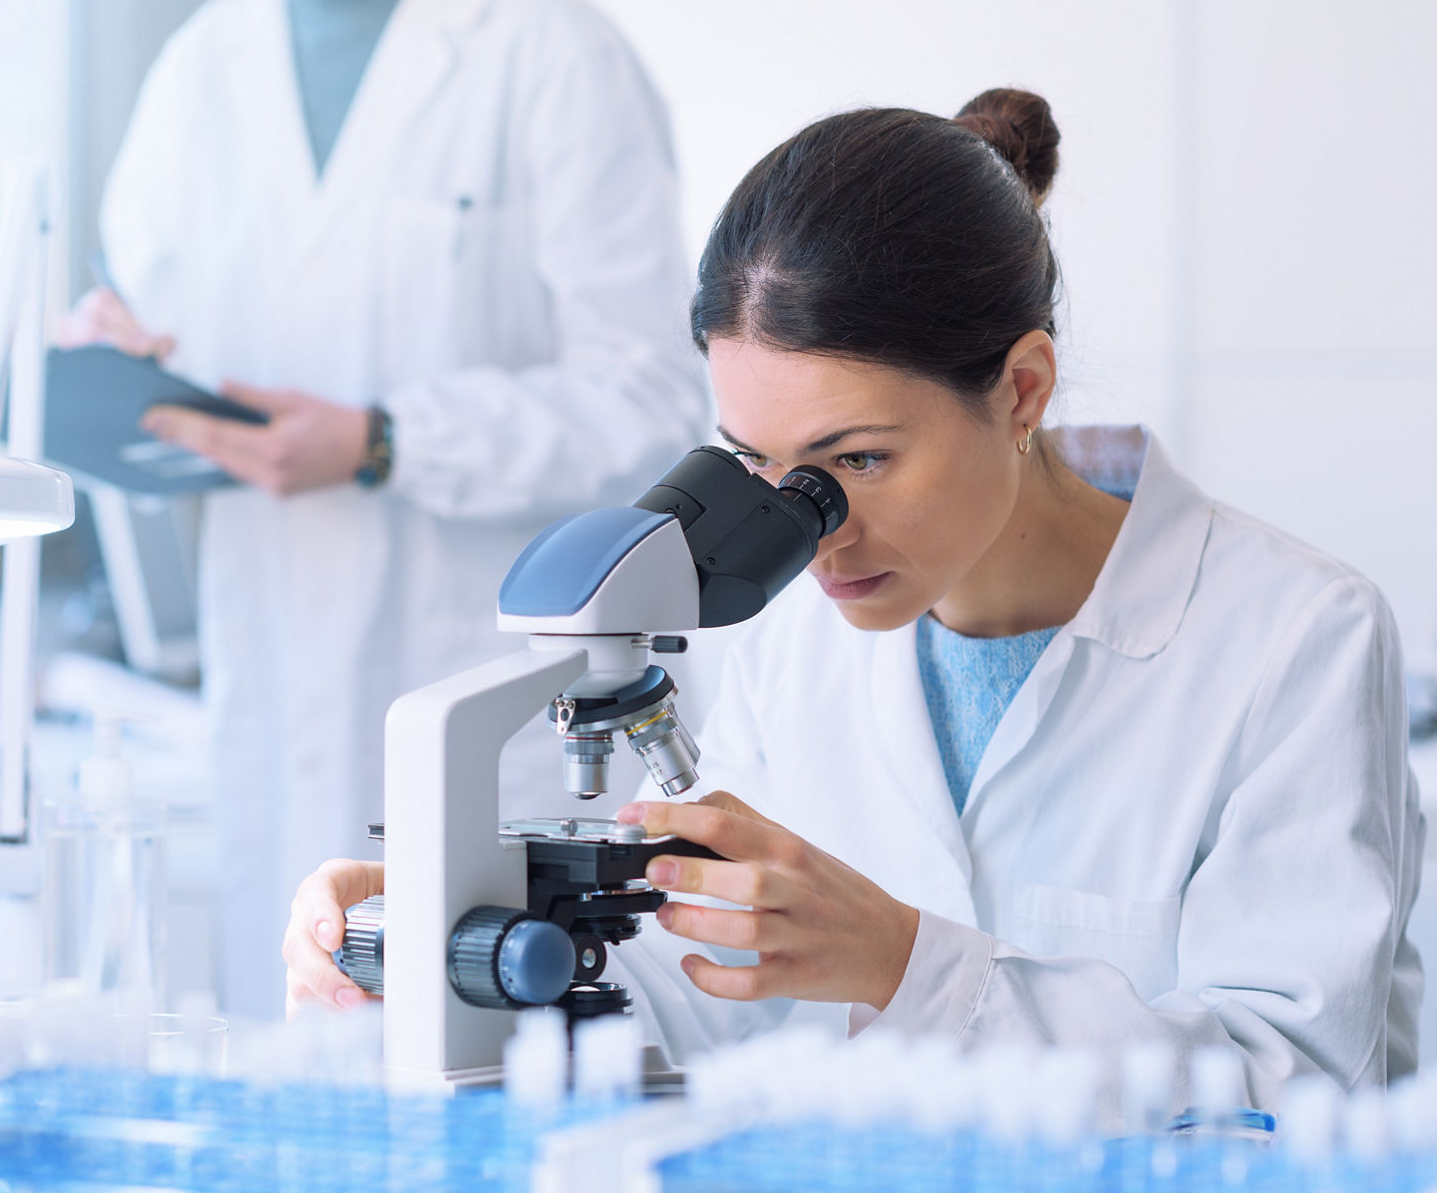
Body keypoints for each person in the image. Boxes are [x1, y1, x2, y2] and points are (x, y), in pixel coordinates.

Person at [281, 88, 1423, 1103]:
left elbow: (1291, 1088)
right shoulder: (794, 640)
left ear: (1021, 391)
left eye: (857, 462)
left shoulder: (1294, 639)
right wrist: (455, 942)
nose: (808, 536)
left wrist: (904, 965)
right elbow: (708, 992)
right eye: (759, 468)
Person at [60, 0, 708, 1019]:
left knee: (493, 1095)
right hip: (272, 692)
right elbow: (147, 320)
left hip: (483, 692)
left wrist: (388, 442)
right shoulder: (201, 63)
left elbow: (652, 394)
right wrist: (111, 352)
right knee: (295, 1095)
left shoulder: (550, 49)